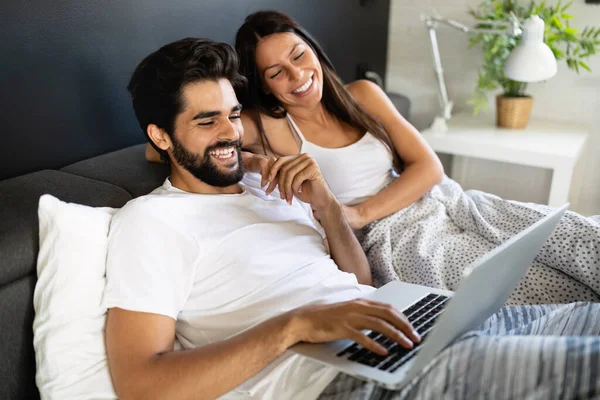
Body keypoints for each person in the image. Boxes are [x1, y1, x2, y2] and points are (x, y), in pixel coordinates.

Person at [111, 37, 600, 400]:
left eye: (234, 114)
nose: (231, 133)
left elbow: (359, 280)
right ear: (160, 136)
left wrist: (325, 207)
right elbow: (140, 382)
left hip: (395, 328)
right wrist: (296, 324)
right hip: (338, 382)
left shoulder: (270, 186)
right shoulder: (151, 222)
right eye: (206, 120)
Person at [228, 10, 600, 305]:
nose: (298, 75)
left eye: (299, 55)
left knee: (570, 235)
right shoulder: (265, 125)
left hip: (444, 203)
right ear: (264, 85)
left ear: (313, 49)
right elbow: (212, 143)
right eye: (277, 73)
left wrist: (361, 211)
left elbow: (429, 167)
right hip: (396, 240)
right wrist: (259, 163)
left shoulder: (361, 94)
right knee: (532, 283)